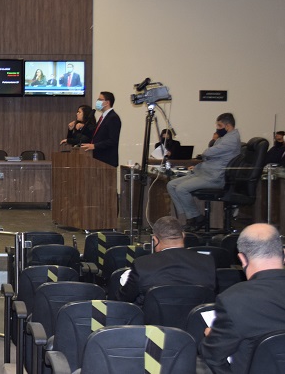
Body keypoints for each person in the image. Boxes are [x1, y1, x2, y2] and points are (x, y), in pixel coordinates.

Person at [200, 223, 285, 374]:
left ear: (242, 259)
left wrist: (211, 339)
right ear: (283, 253)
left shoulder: (233, 299)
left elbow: (213, 358)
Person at [166, 113, 241, 231]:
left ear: (227, 126)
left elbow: (208, 153)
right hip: (205, 173)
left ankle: (196, 217)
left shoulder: (231, 139)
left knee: (181, 189)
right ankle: (185, 217)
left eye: (219, 125)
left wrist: (208, 151)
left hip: (214, 177)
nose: (217, 128)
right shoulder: (224, 138)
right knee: (171, 185)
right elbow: (210, 153)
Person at [119, 216, 215, 306]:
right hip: (197, 323)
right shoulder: (207, 262)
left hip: (151, 322)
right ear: (183, 236)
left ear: (155, 240)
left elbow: (123, 300)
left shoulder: (142, 265)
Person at [80, 91, 121, 167]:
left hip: (107, 160)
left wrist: (94, 146)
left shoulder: (113, 118)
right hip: (98, 159)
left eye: (100, 99)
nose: (97, 102)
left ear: (107, 102)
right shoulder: (103, 117)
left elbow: (112, 140)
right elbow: (96, 134)